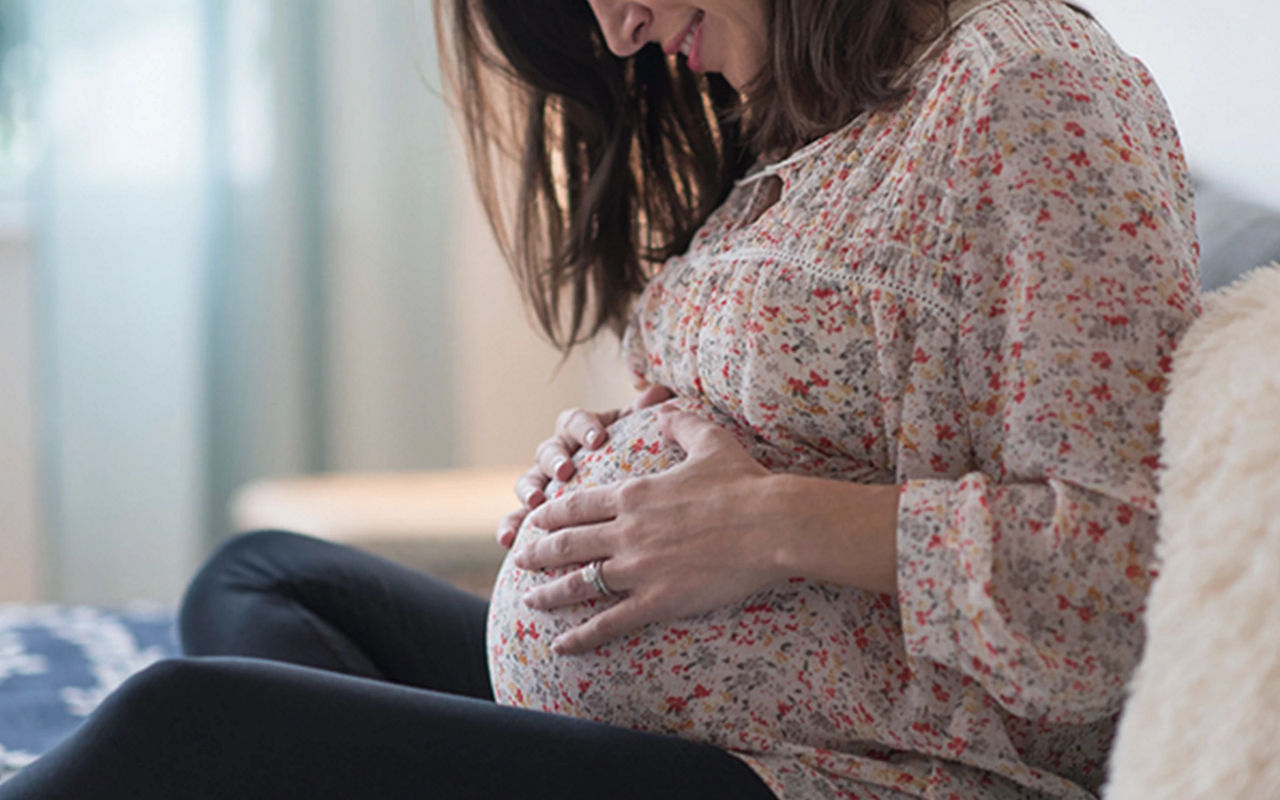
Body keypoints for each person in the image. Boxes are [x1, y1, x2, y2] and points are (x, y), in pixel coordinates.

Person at [0, 0, 1198, 798]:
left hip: (852, 770)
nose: (616, 28)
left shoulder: (1027, 91)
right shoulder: (817, 114)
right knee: (263, 577)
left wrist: (760, 518)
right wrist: (618, 452)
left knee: (190, 722)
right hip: (670, 718)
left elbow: (1113, 579)